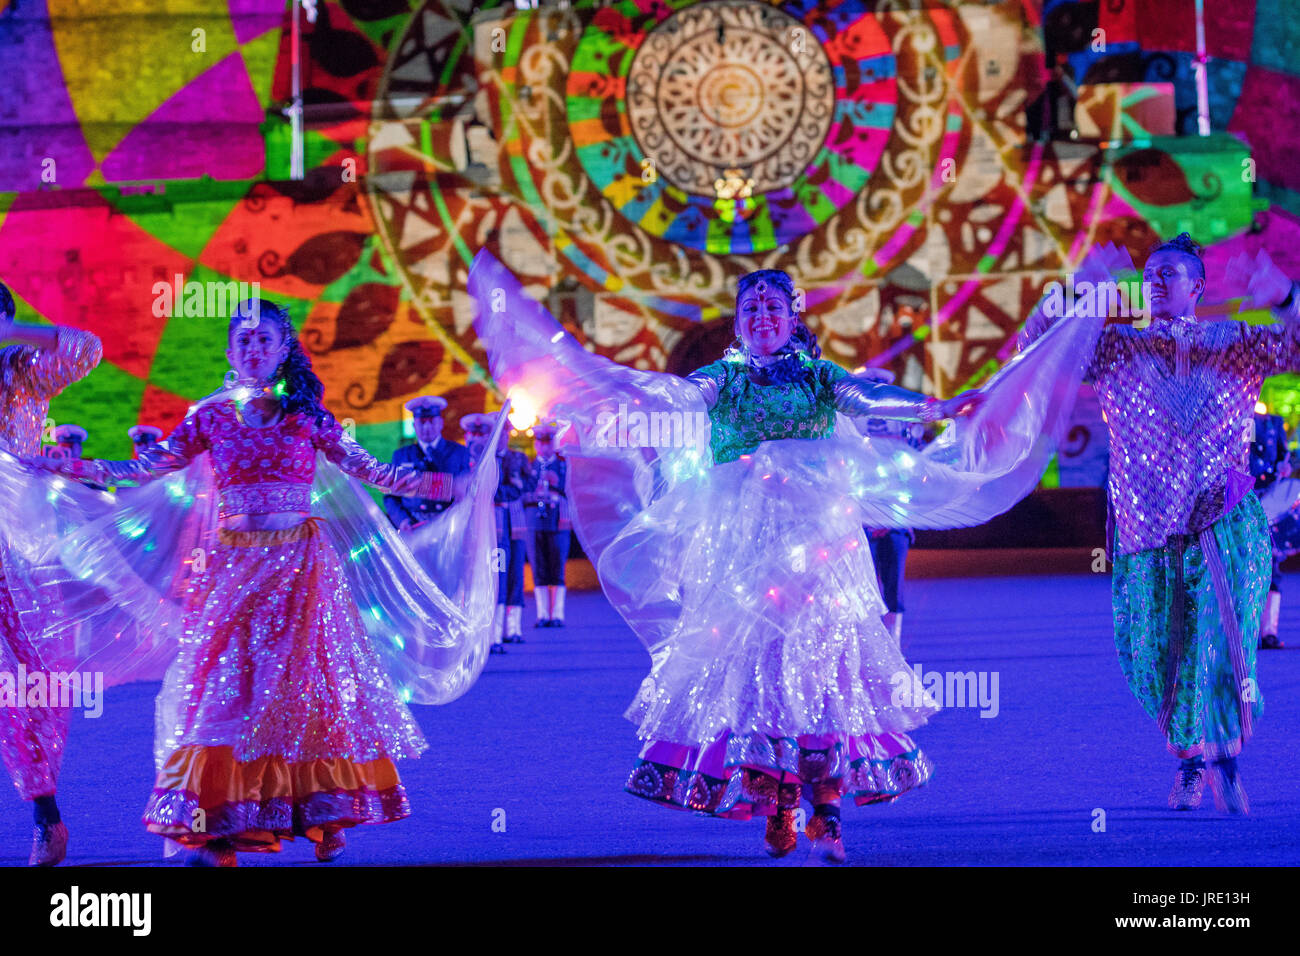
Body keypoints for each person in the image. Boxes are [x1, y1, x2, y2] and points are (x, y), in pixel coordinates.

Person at [472, 250, 1095, 862]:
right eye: (750, 306)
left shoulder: (821, 378)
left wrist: (933, 408)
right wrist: (595, 389)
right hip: (742, 554)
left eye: (774, 304)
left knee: (823, 667)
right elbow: (669, 399)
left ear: (795, 318)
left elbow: (868, 400)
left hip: (820, 549)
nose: (762, 314)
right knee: (757, 671)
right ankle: (778, 805)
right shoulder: (721, 379)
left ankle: (826, 812)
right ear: (738, 321)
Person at [34, 299, 494, 865]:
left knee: (304, 694)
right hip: (233, 573)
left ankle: (320, 809)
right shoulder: (209, 419)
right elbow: (143, 469)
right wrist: (66, 468)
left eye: (264, 341)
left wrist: (462, 486)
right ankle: (217, 824)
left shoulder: (307, 418)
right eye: (243, 341)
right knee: (222, 691)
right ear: (230, 353)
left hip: (301, 573)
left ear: (282, 352)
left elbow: (379, 474)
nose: (253, 349)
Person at [1020, 236, 1300, 814]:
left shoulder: (1234, 343)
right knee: (1155, 653)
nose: (1155, 279)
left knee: (1217, 637)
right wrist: (1076, 283)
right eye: (1148, 273)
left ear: (1196, 286)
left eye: (1169, 272)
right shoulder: (1115, 347)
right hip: (1145, 531)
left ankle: (1216, 752)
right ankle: (1192, 754)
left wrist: (1287, 296)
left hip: (1222, 517)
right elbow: (1033, 347)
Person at [0, 280, 103, 865]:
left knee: (29, 685)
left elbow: (87, 348)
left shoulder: (24, 369)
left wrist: (14, 333)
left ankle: (45, 815)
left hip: (16, 547)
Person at [463, 412, 533, 651]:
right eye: (498, 432)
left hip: (515, 523)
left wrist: (511, 491)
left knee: (514, 576)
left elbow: (526, 486)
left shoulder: (516, 458)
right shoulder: (483, 459)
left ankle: (511, 629)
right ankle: (493, 634)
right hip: (494, 524)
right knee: (493, 576)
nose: (502, 437)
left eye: (505, 432)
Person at [383, 395, 469, 531]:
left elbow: (467, 491)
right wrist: (403, 521)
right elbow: (391, 496)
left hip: (449, 525)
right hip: (414, 525)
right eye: (422, 421)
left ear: (441, 423)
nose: (427, 426)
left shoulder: (459, 453)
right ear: (414, 425)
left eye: (431, 421)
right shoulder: (401, 455)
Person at [523, 423, 570, 628]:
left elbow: (572, 492)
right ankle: (542, 614)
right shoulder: (528, 466)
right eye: (540, 442)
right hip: (534, 521)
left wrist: (557, 486)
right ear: (535, 444)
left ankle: (558, 614)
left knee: (557, 566)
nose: (544, 447)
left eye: (548, 442)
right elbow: (520, 494)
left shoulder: (563, 465)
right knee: (538, 567)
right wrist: (535, 494)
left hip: (559, 521)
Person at [1249, 413, 1289, 649]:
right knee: (1248, 568)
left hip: (1271, 500)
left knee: (1273, 566)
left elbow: (1285, 455)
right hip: (1246, 500)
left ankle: (1269, 631)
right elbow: (1247, 461)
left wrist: (1284, 466)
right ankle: (1249, 630)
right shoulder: (1243, 419)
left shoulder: (1274, 422)